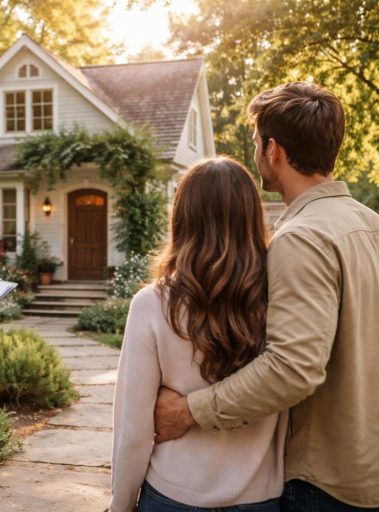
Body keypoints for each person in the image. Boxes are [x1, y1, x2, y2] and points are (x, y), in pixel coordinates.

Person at [153, 82, 379, 511]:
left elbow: (292, 368)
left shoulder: (302, 238)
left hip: (331, 484)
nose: (257, 152)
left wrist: (189, 411)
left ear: (273, 150)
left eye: (257, 142)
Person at [111, 156, 285, 512]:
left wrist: (121, 504)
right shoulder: (281, 298)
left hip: (172, 496)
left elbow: (133, 429)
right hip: (259, 497)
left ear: (182, 218)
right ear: (252, 218)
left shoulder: (152, 304)